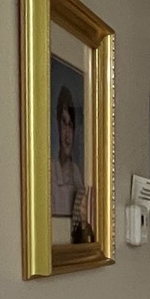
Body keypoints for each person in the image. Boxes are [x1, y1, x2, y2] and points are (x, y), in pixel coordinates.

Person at [52, 84, 92, 242]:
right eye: (63, 122)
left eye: (71, 125)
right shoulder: (49, 169)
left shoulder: (77, 173)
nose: (67, 133)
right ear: (57, 125)